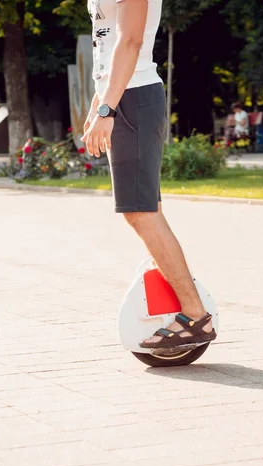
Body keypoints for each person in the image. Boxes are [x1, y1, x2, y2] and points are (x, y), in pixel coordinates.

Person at [81, 0, 216, 351]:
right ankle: (189, 308)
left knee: (141, 212)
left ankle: (195, 315)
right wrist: (98, 103)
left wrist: (108, 107)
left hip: (134, 98)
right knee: (141, 212)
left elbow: (131, 41)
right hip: (119, 97)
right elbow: (105, 42)